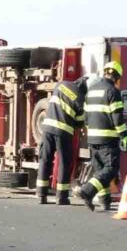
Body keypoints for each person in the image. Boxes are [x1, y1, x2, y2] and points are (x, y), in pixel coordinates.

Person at [77, 60, 127, 212]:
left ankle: (104, 202)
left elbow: (86, 117)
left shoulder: (91, 91)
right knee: (111, 169)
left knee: (100, 170)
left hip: (92, 138)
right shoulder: (113, 91)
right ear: (117, 76)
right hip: (108, 139)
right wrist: (124, 136)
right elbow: (117, 118)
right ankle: (87, 191)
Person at [35, 75, 86, 205]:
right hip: (63, 132)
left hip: (47, 129)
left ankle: (41, 195)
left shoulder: (61, 84)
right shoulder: (80, 97)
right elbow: (80, 122)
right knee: (64, 162)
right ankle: (61, 197)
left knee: (45, 160)